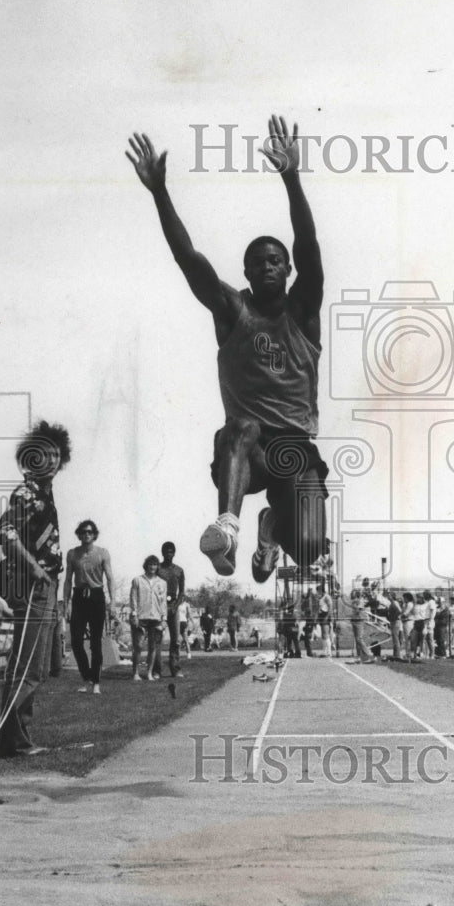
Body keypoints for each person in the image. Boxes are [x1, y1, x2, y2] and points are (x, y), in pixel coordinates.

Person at [127, 115, 328, 583]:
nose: (268, 267)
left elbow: (310, 245)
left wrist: (291, 176)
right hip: (248, 450)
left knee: (312, 549)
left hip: (295, 446)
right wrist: (160, 192)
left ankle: (272, 526)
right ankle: (229, 525)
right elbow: (189, 260)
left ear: (288, 269)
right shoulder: (233, 310)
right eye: (257, 262)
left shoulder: (303, 312)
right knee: (238, 427)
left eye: (275, 260)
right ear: (247, 271)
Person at [0, 421, 70, 758]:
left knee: (35, 667)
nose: (50, 460)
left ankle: (18, 739)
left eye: (56, 455)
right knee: (27, 666)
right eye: (43, 454)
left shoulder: (44, 494)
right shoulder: (26, 493)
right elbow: (4, 531)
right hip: (32, 586)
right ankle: (13, 741)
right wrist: (34, 567)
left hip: (46, 585)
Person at [63, 520, 115, 696]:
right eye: (84, 532)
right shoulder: (72, 554)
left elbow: (110, 578)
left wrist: (113, 603)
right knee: (76, 642)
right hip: (78, 597)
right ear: (79, 534)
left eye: (90, 532)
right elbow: (68, 580)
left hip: (96, 597)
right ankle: (87, 678)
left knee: (95, 643)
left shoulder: (102, 553)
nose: (87, 535)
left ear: (94, 534)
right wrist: (67, 603)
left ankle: (96, 682)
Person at [128, 555, 168, 681]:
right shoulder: (137, 580)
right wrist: (134, 615)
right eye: (150, 564)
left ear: (157, 567)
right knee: (138, 646)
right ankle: (135, 672)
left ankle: (149, 673)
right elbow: (133, 598)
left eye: (155, 564)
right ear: (146, 566)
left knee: (153, 647)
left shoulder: (162, 583)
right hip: (141, 617)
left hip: (156, 618)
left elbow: (163, 602)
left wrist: (164, 618)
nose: (152, 567)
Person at [157, 541, 186, 677]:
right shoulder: (157, 569)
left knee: (176, 639)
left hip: (173, 606)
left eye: (171, 552)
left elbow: (182, 593)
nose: (169, 554)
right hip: (159, 606)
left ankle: (175, 668)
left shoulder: (179, 570)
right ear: (162, 553)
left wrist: (175, 606)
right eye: (166, 552)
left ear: (174, 553)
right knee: (157, 639)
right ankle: (157, 670)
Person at [299, 587, 318, 657]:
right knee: (306, 638)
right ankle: (308, 652)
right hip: (307, 624)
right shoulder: (305, 602)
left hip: (309, 624)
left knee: (307, 638)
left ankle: (309, 652)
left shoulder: (309, 601)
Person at [317, 583, 334, 658]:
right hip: (321, 616)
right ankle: (324, 651)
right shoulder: (321, 597)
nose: (318, 592)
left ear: (321, 590)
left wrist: (327, 616)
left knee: (326, 634)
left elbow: (330, 607)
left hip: (325, 616)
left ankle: (329, 652)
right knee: (323, 635)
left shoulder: (327, 597)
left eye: (318, 591)